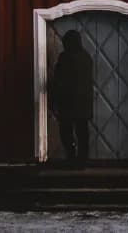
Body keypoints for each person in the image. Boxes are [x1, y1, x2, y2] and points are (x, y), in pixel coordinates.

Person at [49, 29, 94, 164]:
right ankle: (82, 158)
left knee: (66, 131)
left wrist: (54, 97)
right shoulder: (86, 57)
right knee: (82, 132)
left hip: (67, 101)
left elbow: (59, 79)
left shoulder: (65, 57)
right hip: (83, 102)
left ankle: (71, 156)